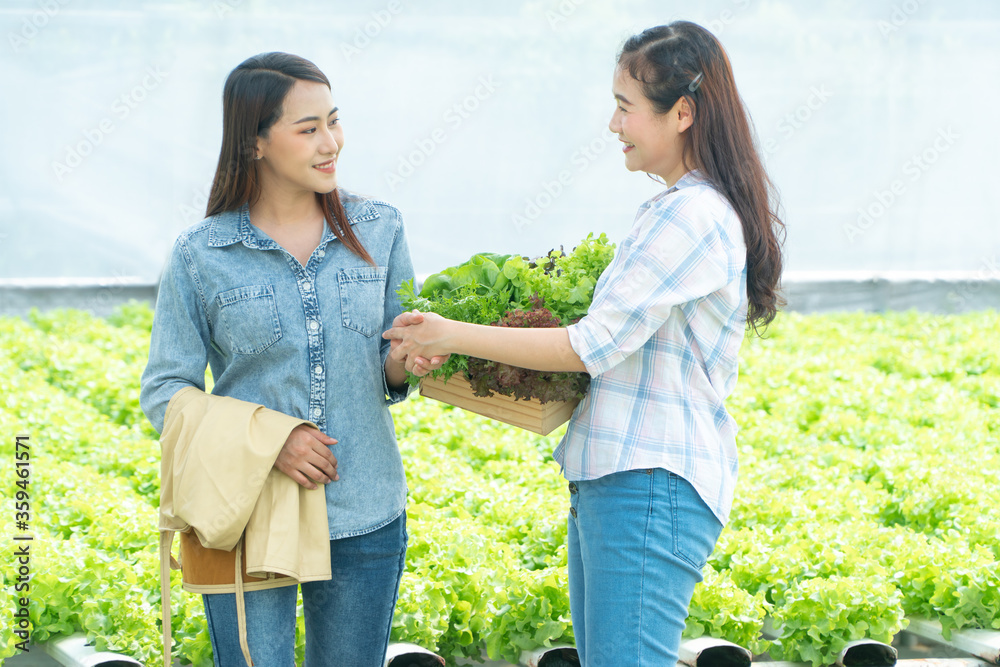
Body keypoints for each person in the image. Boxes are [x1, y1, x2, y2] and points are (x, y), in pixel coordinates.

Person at [384, 21, 784, 667]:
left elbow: (590, 344)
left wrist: (451, 332)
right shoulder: (676, 208)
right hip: (626, 482)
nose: (613, 125)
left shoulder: (692, 215)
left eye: (626, 107)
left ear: (682, 112)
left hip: (649, 483)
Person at [140, 52, 440, 667]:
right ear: (255, 142)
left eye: (333, 121)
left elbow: (390, 366)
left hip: (365, 511)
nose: (330, 143)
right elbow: (164, 391)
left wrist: (411, 363)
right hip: (245, 516)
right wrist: (271, 441)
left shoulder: (379, 228)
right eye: (308, 130)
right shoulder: (203, 253)